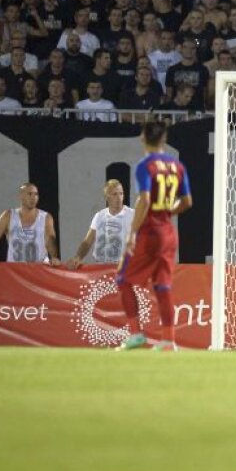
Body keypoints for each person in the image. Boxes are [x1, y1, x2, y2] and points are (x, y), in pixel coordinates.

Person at [115, 121, 193, 351]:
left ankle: (136, 334)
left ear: (143, 138)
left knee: (122, 279)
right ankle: (169, 340)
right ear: (164, 139)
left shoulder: (145, 166)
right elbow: (188, 202)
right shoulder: (177, 165)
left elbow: (145, 199)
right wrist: (168, 211)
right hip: (169, 232)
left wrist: (132, 233)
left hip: (149, 232)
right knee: (163, 285)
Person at [0, 182, 59, 265]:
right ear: (21, 196)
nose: (33, 198)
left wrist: (54, 257)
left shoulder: (46, 217)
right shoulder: (8, 215)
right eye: (29, 194)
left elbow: (51, 239)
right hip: (15, 272)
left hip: (39, 270)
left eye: (36, 194)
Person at [66, 179, 134, 267]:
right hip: (101, 267)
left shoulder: (133, 215)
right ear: (106, 197)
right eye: (114, 194)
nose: (119, 198)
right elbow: (87, 242)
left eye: (121, 193)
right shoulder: (99, 216)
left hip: (124, 267)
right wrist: (77, 257)